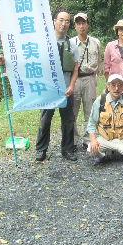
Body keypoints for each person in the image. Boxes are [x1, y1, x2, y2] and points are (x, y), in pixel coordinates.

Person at [35, 9, 80, 162]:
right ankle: (41, 150)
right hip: (48, 90)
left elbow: (75, 68)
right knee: (45, 119)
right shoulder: (44, 42)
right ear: (54, 21)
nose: (64, 24)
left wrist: (72, 85)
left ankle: (67, 149)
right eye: (61, 20)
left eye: (67, 21)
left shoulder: (72, 44)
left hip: (66, 89)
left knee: (68, 120)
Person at [70, 12, 103, 151]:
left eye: (83, 23)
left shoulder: (96, 42)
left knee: (90, 110)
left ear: (88, 24)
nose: (81, 26)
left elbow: (100, 61)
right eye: (78, 23)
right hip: (75, 79)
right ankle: (72, 139)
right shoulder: (71, 43)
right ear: (75, 26)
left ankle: (88, 139)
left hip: (90, 78)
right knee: (72, 111)